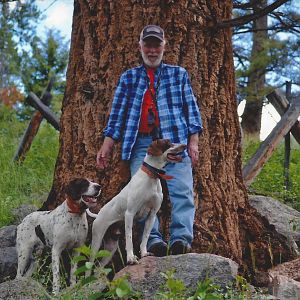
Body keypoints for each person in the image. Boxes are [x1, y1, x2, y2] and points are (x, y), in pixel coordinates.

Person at [96, 25, 203, 256]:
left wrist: (193, 142)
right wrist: (107, 144)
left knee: (182, 191)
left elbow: (191, 110)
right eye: (148, 45)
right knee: (141, 196)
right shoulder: (129, 78)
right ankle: (152, 241)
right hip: (142, 145)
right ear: (140, 46)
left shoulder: (179, 74)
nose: (152, 50)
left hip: (174, 143)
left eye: (157, 45)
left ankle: (180, 240)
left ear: (164, 46)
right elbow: (117, 114)